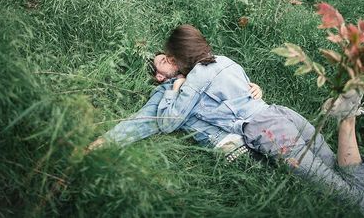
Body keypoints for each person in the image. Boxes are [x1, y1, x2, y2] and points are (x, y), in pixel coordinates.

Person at [156, 24, 364, 218]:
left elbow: (167, 122)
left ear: (180, 58)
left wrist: (175, 88)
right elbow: (248, 91)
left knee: (342, 193)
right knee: (342, 182)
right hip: (281, 113)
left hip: (268, 130)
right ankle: (347, 119)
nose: (166, 64)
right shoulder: (224, 61)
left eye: (169, 58)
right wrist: (257, 89)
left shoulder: (196, 78)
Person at [86, 53, 262, 163]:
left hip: (253, 120)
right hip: (229, 141)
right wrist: (97, 145)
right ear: (160, 76)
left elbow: (234, 84)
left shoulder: (204, 67)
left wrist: (255, 88)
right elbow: (142, 121)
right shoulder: (165, 90)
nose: (172, 57)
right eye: (165, 60)